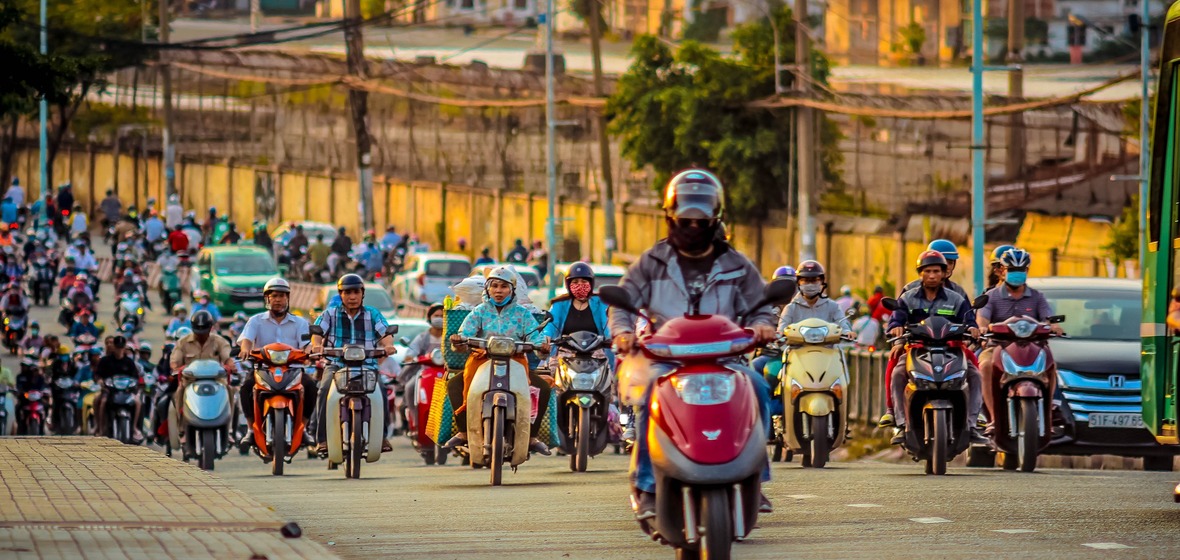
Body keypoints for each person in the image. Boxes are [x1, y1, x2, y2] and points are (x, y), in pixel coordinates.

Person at [607, 169, 779, 517]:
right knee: (648, 400)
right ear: (670, 215)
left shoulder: (737, 264)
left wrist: (763, 325)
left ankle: (754, 480)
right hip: (667, 360)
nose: (694, 224)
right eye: (686, 216)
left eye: (703, 216)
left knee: (758, 387)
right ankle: (647, 486)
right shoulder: (651, 262)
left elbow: (761, 305)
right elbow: (622, 300)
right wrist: (622, 332)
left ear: (716, 215)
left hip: (726, 360)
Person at [443, 266, 552, 455]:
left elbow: (536, 339)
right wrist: (459, 341)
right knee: (453, 384)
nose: (498, 291)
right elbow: (464, 335)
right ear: (488, 289)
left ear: (512, 289)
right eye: (494, 286)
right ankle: (463, 432)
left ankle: (532, 437)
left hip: (516, 361)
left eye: (503, 286)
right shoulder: (479, 312)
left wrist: (542, 347)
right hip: (482, 360)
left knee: (543, 388)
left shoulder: (523, 314)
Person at [885, 250, 986, 445]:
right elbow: (896, 319)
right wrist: (896, 328)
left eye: (936, 271)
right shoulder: (908, 297)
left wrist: (973, 328)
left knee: (975, 374)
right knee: (898, 373)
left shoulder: (956, 298)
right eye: (928, 271)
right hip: (916, 348)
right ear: (920, 273)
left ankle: (972, 424)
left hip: (951, 348)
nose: (932, 275)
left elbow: (969, 319)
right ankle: (900, 424)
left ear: (944, 273)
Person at [309, 274, 397, 454]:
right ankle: (323, 440)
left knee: (381, 391)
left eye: (356, 292)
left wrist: (389, 346)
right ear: (340, 294)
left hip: (367, 366)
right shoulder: (330, 314)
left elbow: (385, 332)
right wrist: (317, 345)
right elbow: (317, 332)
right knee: (324, 390)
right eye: (347, 292)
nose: (352, 297)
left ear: (362, 294)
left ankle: (381, 437)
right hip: (336, 364)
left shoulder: (373, 313)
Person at [236, 278, 318, 444]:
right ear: (267, 299)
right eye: (274, 296)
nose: (278, 300)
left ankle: (303, 428)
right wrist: (245, 350)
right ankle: (251, 429)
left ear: (287, 298)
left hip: (293, 370)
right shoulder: (255, 321)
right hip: (263, 370)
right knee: (245, 388)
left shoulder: (300, 322)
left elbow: (307, 344)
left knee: (311, 387)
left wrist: (311, 351)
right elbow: (246, 340)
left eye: (282, 296)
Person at [168, 312, 234, 454]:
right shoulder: (183, 342)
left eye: (204, 330)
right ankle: (182, 429)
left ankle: (229, 429)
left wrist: (230, 364)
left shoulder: (219, 341)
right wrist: (176, 368)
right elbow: (175, 361)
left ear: (210, 327)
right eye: (198, 330)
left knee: (230, 390)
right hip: (190, 381)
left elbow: (227, 356)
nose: (201, 334)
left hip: (216, 381)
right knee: (179, 392)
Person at [777, 261, 851, 333]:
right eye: (805, 280)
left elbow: (843, 326)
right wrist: (780, 333)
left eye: (814, 280)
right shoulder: (791, 308)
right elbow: (782, 329)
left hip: (827, 345)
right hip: (797, 346)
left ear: (822, 282)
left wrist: (848, 332)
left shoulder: (833, 306)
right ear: (798, 282)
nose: (810, 284)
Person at [93, 335, 144, 440]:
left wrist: (135, 385)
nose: (119, 350)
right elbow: (97, 374)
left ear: (124, 347)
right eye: (117, 347)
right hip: (109, 391)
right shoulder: (105, 361)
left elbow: (135, 376)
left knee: (138, 402)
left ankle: (135, 428)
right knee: (102, 401)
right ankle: (101, 428)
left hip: (126, 391)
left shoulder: (129, 362)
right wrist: (100, 381)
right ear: (114, 347)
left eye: (121, 347)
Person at [900, 239, 970, 300]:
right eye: (943, 262)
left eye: (950, 263)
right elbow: (897, 313)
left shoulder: (959, 292)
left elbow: (967, 314)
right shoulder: (909, 289)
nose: (947, 267)